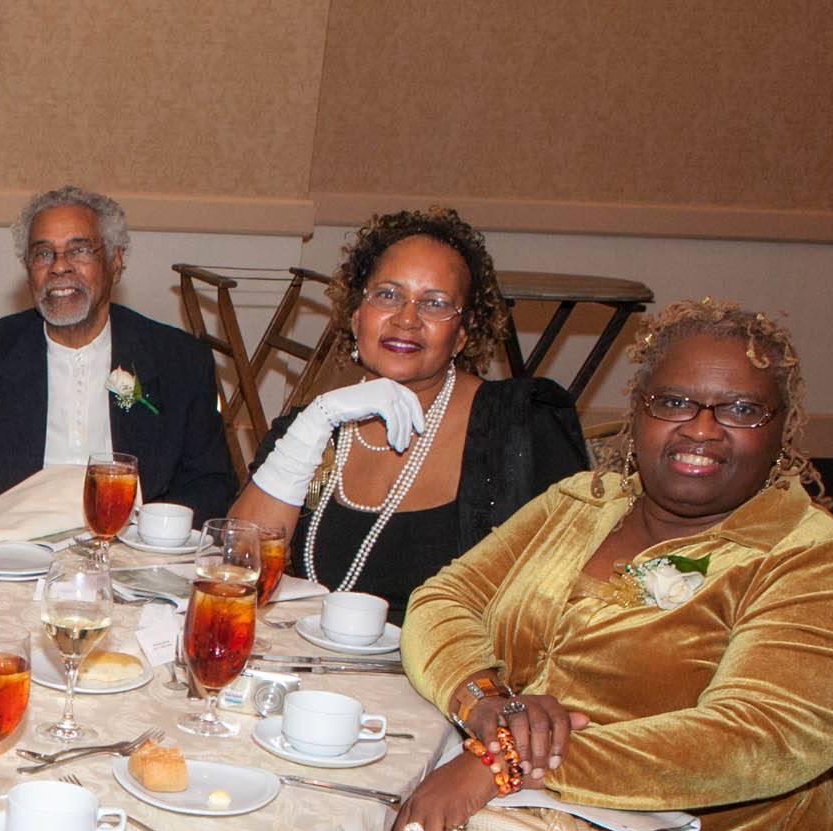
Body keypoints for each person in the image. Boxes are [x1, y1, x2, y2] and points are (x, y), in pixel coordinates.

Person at [385, 300, 833, 831]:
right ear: (637, 410)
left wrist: (504, 763)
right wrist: (482, 700)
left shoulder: (819, 563)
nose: (702, 429)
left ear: (784, 429)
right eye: (675, 401)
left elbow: (753, 737)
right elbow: (443, 600)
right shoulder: (581, 502)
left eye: (741, 410)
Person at [232, 208, 587, 618]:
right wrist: (315, 422)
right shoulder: (316, 426)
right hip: (326, 666)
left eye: (435, 304)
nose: (406, 319)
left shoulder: (521, 427)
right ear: (356, 315)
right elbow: (239, 567)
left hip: (453, 674)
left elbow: (568, 601)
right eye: (387, 295)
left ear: (463, 333)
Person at [0, 186, 235, 518]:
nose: (59, 267)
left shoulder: (180, 360)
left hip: (133, 548)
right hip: (16, 551)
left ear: (115, 262)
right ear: (28, 269)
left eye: (80, 251)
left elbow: (211, 484)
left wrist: (148, 529)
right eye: (43, 253)